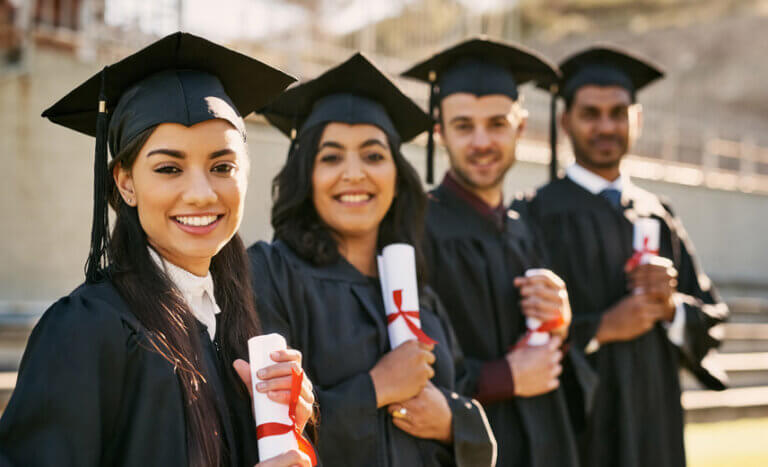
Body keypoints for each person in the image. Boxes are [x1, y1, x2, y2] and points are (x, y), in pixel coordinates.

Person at [0, 32, 316, 467]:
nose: (202, 194)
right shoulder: (86, 331)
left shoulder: (240, 319)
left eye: (222, 166)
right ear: (125, 183)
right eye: (169, 168)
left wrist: (288, 428)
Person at [248, 53, 497, 467]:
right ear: (305, 174)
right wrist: (376, 389)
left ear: (398, 178)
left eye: (374, 155)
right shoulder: (271, 274)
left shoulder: (419, 298)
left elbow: (465, 397)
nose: (354, 173)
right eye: (330, 157)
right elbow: (262, 422)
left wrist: (453, 423)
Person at [514, 45, 728, 467]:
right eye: (590, 114)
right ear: (565, 122)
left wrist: (671, 309)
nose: (606, 126)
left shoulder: (658, 213)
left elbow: (710, 316)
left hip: (656, 423)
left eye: (618, 113)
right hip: (581, 429)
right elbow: (513, 328)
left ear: (637, 119)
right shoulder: (535, 213)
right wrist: (601, 328)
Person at [402, 37, 595, 467]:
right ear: (440, 132)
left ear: (521, 127)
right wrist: (503, 378)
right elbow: (403, 361)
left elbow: (557, 366)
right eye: (464, 125)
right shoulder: (414, 229)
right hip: (465, 450)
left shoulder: (528, 228)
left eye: (497, 123)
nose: (482, 141)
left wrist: (559, 327)